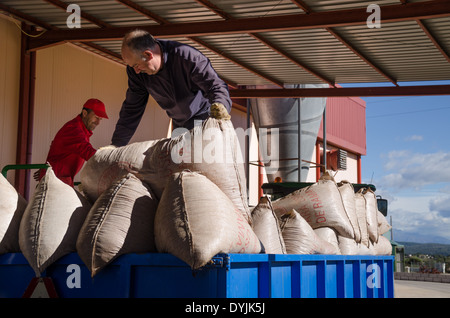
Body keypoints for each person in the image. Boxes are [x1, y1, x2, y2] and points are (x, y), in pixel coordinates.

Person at [111, 29, 232, 147]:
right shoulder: (136, 73)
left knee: (202, 159)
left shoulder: (187, 57)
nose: (136, 71)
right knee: (178, 162)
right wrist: (117, 144)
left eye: (137, 65)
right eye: (132, 66)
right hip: (178, 122)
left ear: (148, 54)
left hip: (203, 117)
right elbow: (132, 108)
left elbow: (215, 85)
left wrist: (221, 104)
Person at [35, 98, 108, 187]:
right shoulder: (73, 129)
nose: (98, 122)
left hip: (61, 179)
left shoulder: (82, 131)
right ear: (85, 113)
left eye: (100, 119)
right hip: (55, 182)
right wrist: (111, 162)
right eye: (96, 118)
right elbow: (88, 152)